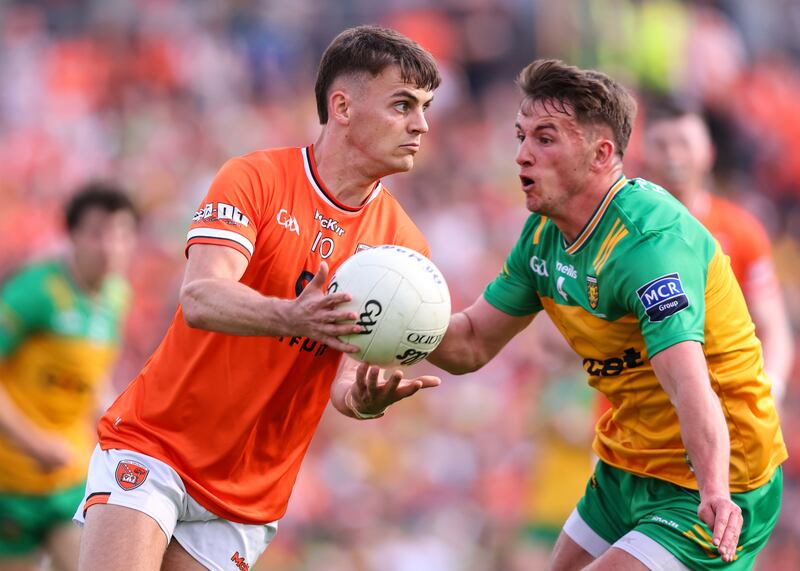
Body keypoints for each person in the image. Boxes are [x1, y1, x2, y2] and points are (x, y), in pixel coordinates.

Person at [74, 25, 442, 570]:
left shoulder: (403, 247)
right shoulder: (256, 178)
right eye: (402, 105)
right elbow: (200, 297)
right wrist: (289, 315)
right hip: (158, 446)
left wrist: (363, 401)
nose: (422, 124)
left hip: (249, 494)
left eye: (425, 107)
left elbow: (342, 378)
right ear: (342, 106)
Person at [428, 59, 786, 570]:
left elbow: (688, 383)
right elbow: (470, 343)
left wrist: (714, 488)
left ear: (600, 153)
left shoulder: (647, 244)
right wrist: (380, 328)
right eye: (520, 136)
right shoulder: (543, 236)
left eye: (545, 139)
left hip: (718, 477)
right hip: (627, 467)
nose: (522, 155)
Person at [0, 183, 138, 571]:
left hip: (69, 477)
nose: (110, 246)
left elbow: (92, 376)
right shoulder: (33, 293)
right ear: (72, 235)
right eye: (97, 233)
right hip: (9, 480)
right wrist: (35, 443)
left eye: (121, 233)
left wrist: (118, 422)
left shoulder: (117, 297)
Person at [642, 101, 794, 403]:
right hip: (633, 425)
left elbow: (775, 329)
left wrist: (769, 389)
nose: (673, 156)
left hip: (720, 417)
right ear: (645, 154)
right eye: (661, 145)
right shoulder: (617, 232)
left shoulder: (741, 232)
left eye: (684, 143)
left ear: (708, 153)